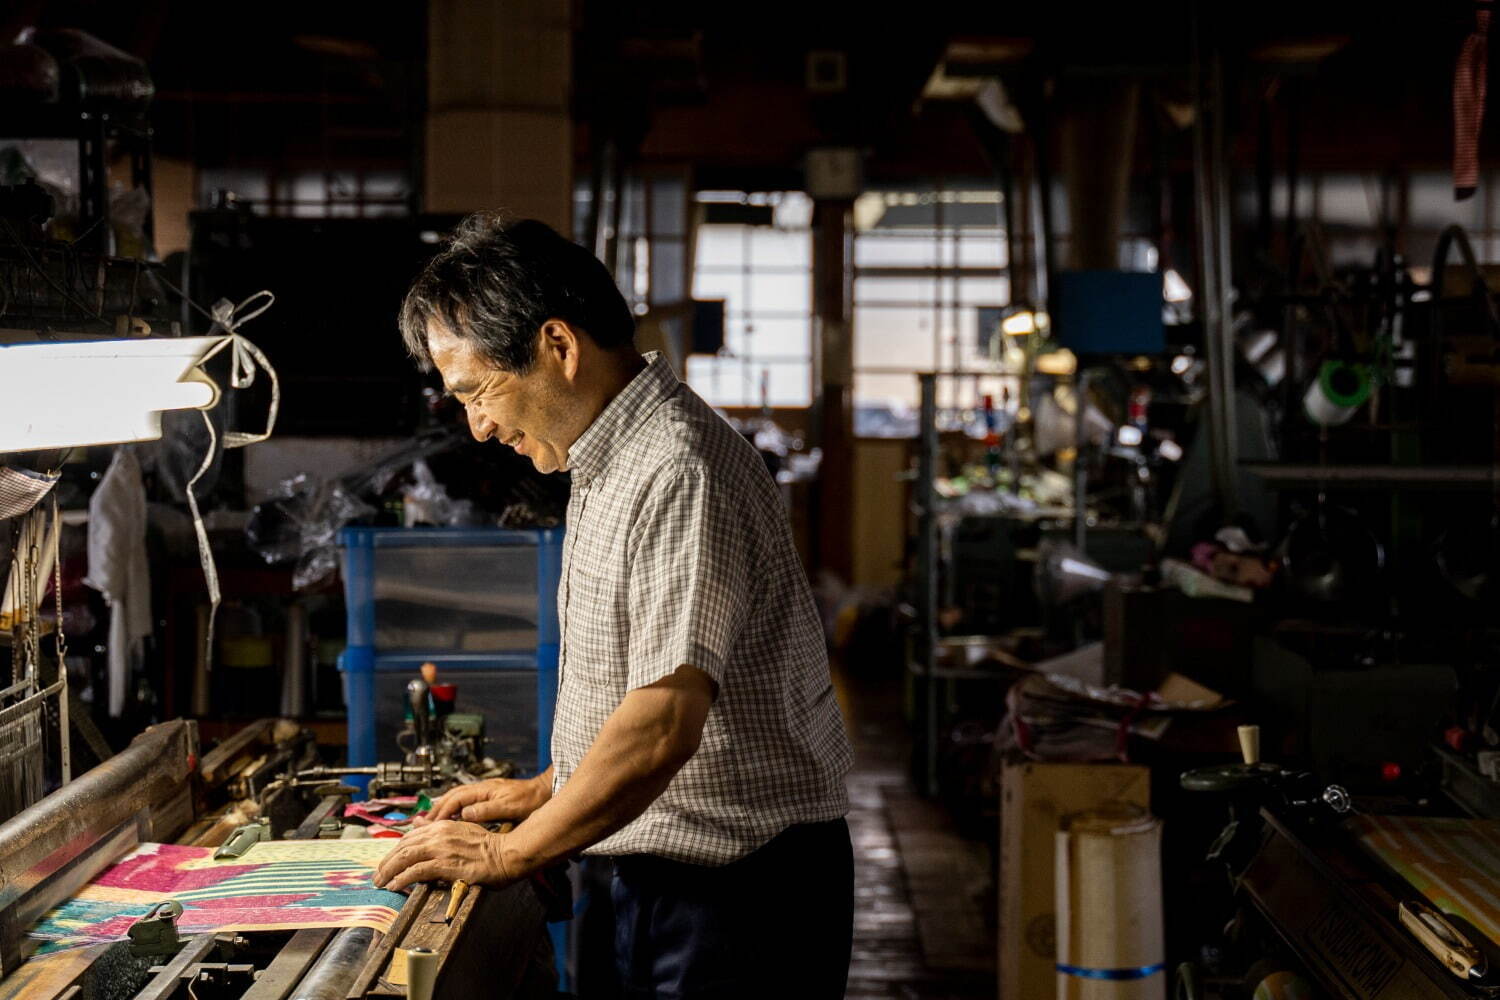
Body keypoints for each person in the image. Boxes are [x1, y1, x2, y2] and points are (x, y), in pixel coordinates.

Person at [373, 213, 854, 995]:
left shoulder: (676, 469)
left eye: (478, 391)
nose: (479, 425)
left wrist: (508, 854)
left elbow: (663, 724)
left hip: (737, 896)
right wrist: (548, 790)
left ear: (558, 347)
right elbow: (633, 677)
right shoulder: (607, 460)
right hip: (656, 863)